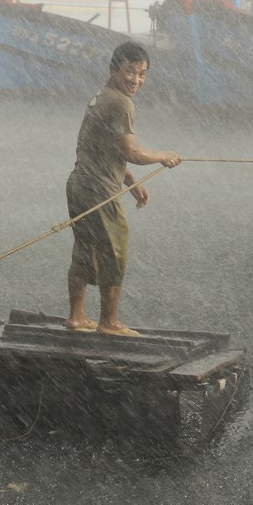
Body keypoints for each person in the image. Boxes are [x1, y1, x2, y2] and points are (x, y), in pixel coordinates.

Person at [65, 41, 182, 336]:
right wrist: (164, 155)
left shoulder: (101, 97)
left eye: (142, 74)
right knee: (113, 251)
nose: (136, 80)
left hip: (80, 184)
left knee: (84, 250)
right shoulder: (121, 103)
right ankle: (109, 322)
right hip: (99, 191)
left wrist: (131, 183)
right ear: (113, 68)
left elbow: (105, 149)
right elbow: (132, 152)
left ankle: (77, 317)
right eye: (130, 72)